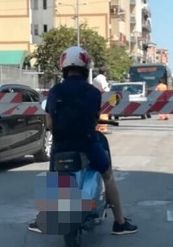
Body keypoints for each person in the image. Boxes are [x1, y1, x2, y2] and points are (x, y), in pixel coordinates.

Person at [29, 47, 137, 235]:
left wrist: (56, 131)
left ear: (63, 66)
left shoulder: (55, 91)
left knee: (54, 179)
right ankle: (119, 222)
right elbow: (94, 116)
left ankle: (44, 219)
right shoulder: (93, 92)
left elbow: (48, 121)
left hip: (61, 145)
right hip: (87, 143)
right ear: (86, 67)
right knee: (108, 175)